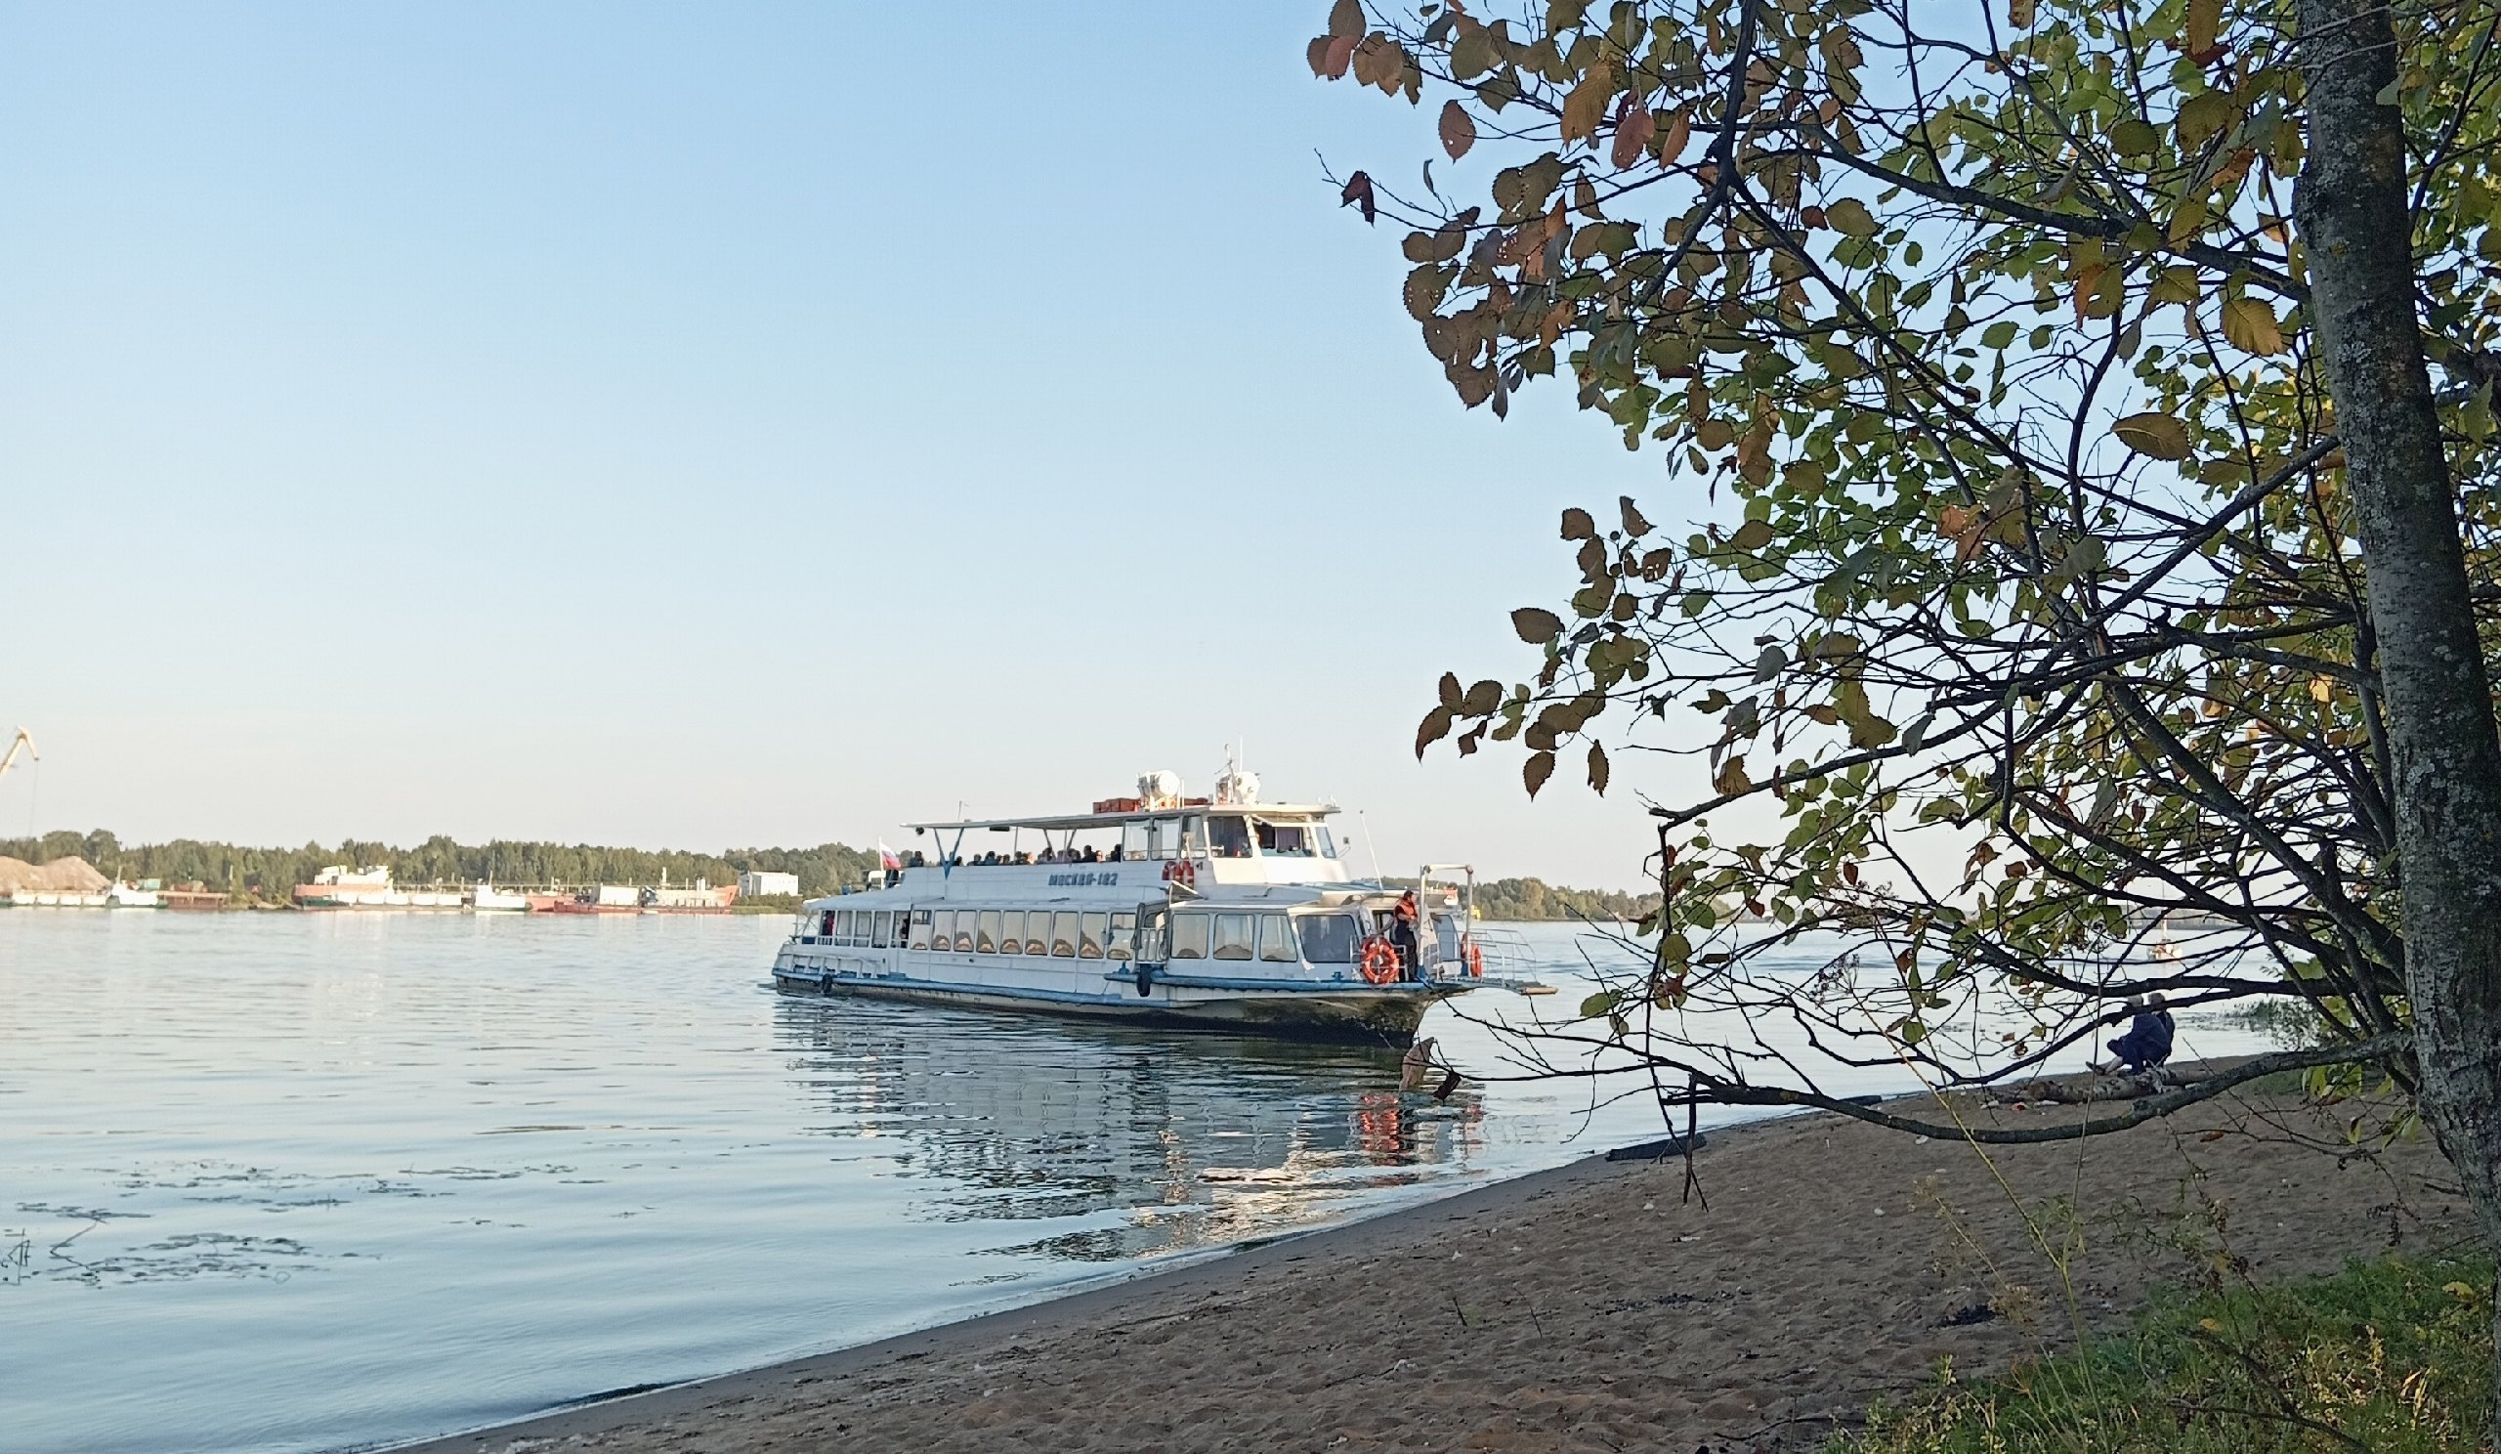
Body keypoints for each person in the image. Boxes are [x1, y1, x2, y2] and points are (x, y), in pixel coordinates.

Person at [2097, 995, 2175, 1074]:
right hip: (2158, 1048)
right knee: (2126, 1046)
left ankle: (2136, 1068)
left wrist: (2123, 1040)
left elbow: (2134, 1036)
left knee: (2124, 1044)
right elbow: (2138, 1034)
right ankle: (2106, 1068)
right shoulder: (2154, 1017)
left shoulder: (2143, 1017)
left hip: (2156, 1050)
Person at [1388, 891, 1421, 978]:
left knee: (1412, 953)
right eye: (1413, 897)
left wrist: (1415, 922)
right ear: (1408, 897)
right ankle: (1403, 975)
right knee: (1403, 953)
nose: (1415, 899)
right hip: (1402, 933)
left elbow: (1416, 918)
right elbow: (1400, 916)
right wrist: (1409, 917)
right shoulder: (1400, 907)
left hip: (1410, 932)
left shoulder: (1412, 907)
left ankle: (1412, 974)